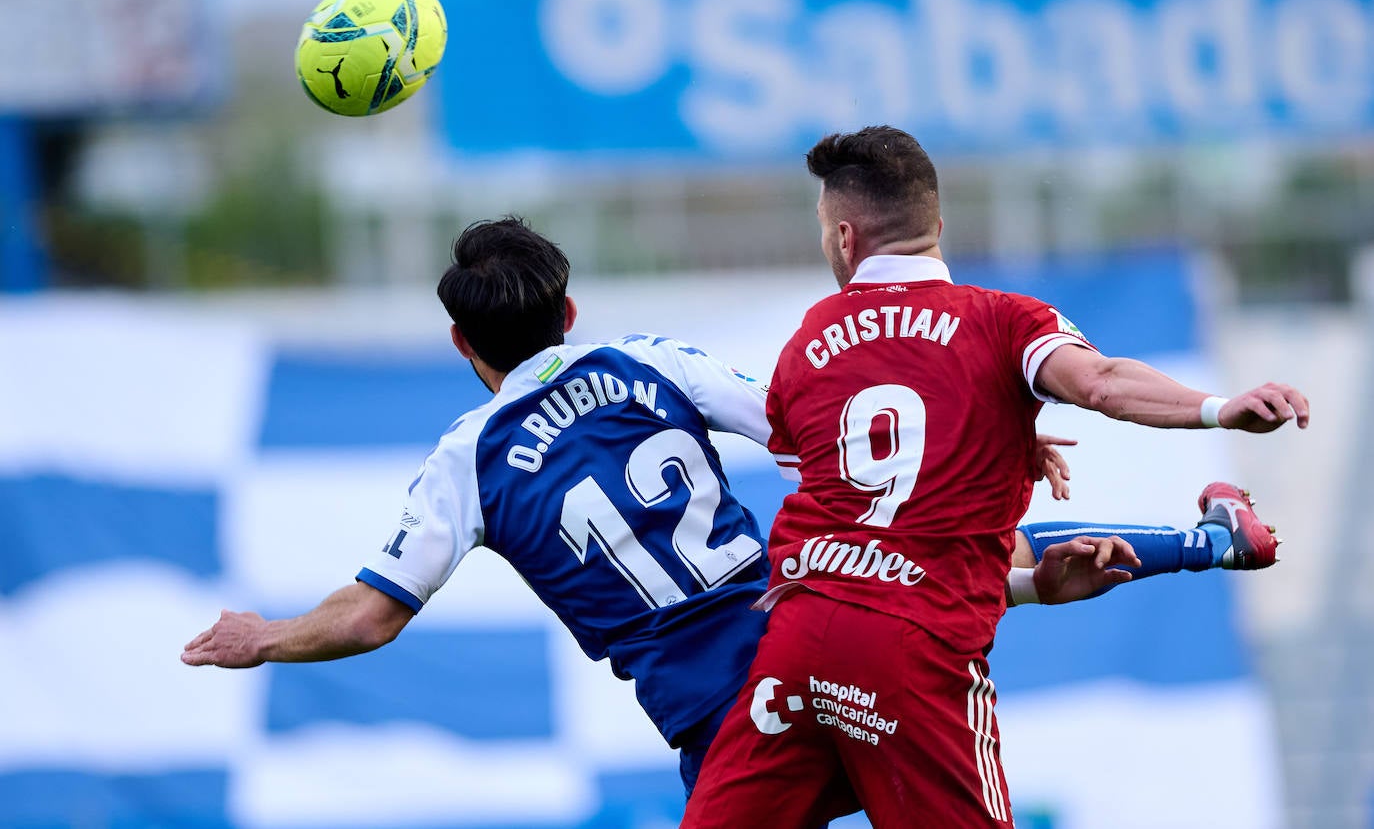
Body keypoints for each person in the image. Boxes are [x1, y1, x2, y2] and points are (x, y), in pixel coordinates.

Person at [179, 217, 1272, 807]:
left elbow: (369, 616)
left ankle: (1192, 541)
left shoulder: (466, 462)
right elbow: (814, 434)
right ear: (569, 310)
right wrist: (974, 433)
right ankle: (1204, 539)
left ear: (464, 348)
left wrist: (261, 637)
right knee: (911, 553)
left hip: (732, 721)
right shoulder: (647, 361)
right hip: (815, 638)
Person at [679, 126, 1309, 829]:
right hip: (911, 655)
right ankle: (1209, 544)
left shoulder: (806, 347)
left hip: (797, 646)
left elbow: (866, 515)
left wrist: (985, 433)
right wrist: (1220, 411)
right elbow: (1099, 383)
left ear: (846, 238)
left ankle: (1209, 544)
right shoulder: (1001, 322)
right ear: (937, 226)